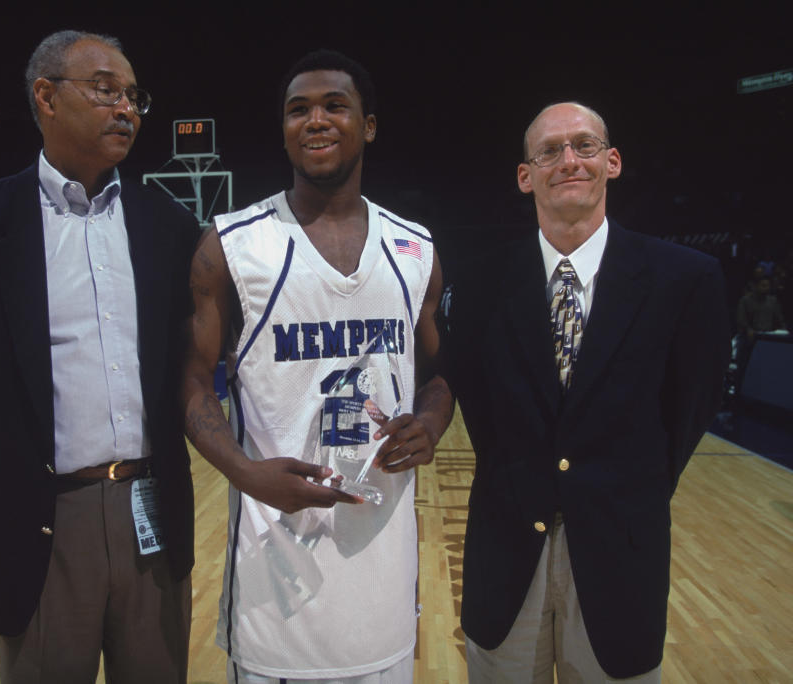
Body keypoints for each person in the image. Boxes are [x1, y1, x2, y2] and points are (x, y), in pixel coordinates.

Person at [0, 30, 198, 683]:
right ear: (46, 96)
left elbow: (187, 363)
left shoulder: (168, 226)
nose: (126, 108)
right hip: (34, 519)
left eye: (133, 95)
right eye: (105, 90)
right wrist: (14, 455)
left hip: (152, 508)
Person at [181, 49, 450, 682]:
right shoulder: (231, 245)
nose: (315, 120)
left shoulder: (416, 249)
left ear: (370, 125)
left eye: (335, 105)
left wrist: (432, 425)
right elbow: (192, 380)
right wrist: (245, 471)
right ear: (282, 129)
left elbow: (439, 373)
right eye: (298, 109)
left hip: (382, 589)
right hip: (275, 590)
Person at [438, 102, 730, 681]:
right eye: (549, 150)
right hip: (507, 546)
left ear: (611, 162)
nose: (568, 160)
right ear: (527, 175)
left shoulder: (686, 280)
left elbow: (689, 409)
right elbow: (474, 402)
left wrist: (622, 492)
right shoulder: (477, 284)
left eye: (584, 146)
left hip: (620, 553)